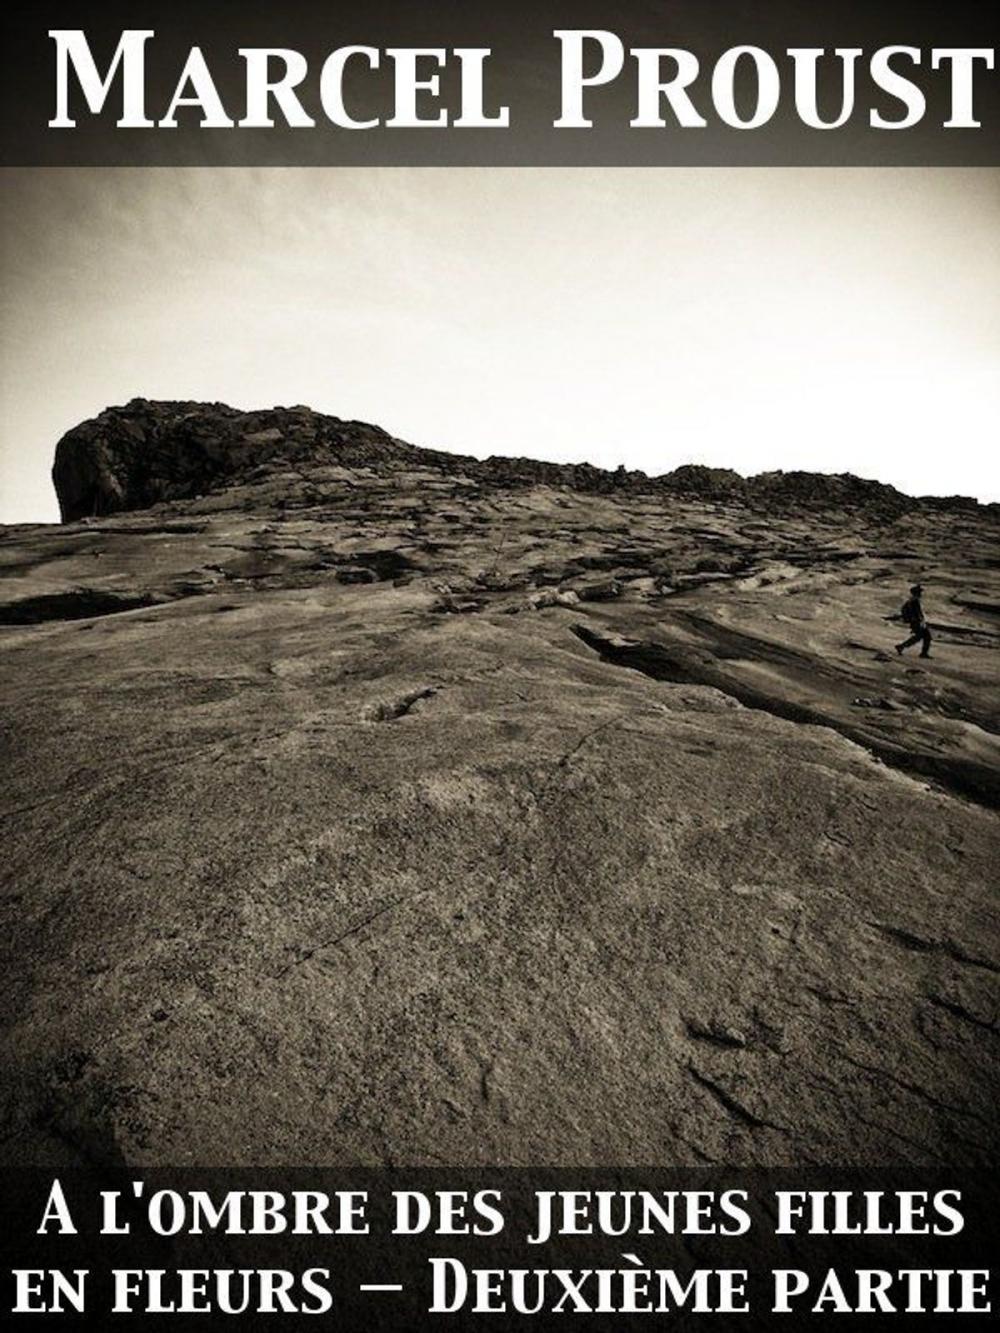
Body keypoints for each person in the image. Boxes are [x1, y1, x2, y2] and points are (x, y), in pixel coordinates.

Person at [896, 583, 932, 658]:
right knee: (926, 636)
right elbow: (917, 613)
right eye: (920, 592)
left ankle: (901, 646)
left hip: (915, 622)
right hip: (917, 622)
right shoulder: (914, 601)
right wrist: (921, 622)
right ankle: (923, 653)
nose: (921, 594)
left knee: (919, 637)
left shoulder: (912, 600)